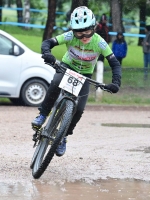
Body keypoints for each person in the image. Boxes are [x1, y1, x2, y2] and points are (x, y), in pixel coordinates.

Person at [31, 6, 121, 157]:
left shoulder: (100, 43)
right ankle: (43, 115)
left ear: (94, 28)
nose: (84, 36)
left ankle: (63, 136)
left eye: (87, 31)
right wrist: (47, 54)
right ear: (73, 30)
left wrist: (116, 83)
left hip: (85, 74)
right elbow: (48, 43)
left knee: (79, 109)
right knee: (56, 83)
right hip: (68, 67)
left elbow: (115, 63)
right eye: (79, 33)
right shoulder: (69, 36)